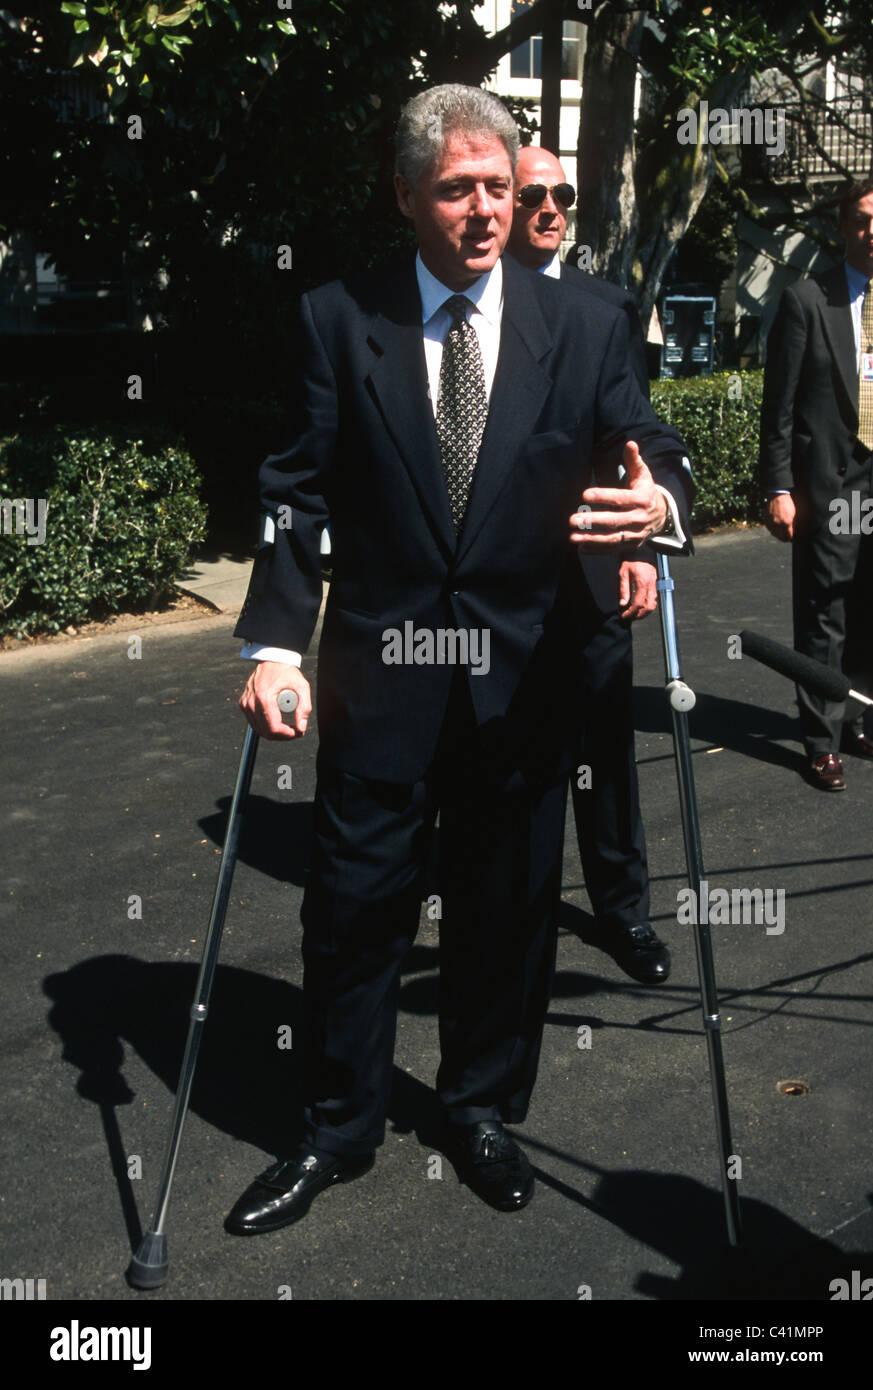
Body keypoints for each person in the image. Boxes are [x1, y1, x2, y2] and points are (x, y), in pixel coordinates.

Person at [225, 84, 693, 1235]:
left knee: (506, 910)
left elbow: (652, 448)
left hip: (524, 683)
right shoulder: (341, 318)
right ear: (406, 196)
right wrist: (277, 644)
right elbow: (297, 493)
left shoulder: (581, 322)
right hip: (380, 680)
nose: (486, 211)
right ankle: (337, 1124)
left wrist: (659, 506)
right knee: (352, 912)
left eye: (500, 186)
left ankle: (482, 1106)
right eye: (458, 189)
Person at [505, 144, 685, 983]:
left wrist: (645, 543)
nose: (549, 207)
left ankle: (624, 915)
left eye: (562, 194)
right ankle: (511, 925)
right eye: (530, 192)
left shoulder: (603, 307)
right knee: (503, 766)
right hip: (489, 595)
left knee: (604, 759)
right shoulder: (450, 309)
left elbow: (636, 445)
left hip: (589, 579)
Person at [761, 177, 873, 791]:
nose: (872, 230)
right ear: (842, 226)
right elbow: (777, 407)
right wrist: (778, 486)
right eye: (861, 219)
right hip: (831, 484)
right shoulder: (808, 300)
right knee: (824, 612)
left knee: (868, 608)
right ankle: (820, 740)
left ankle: (858, 718)